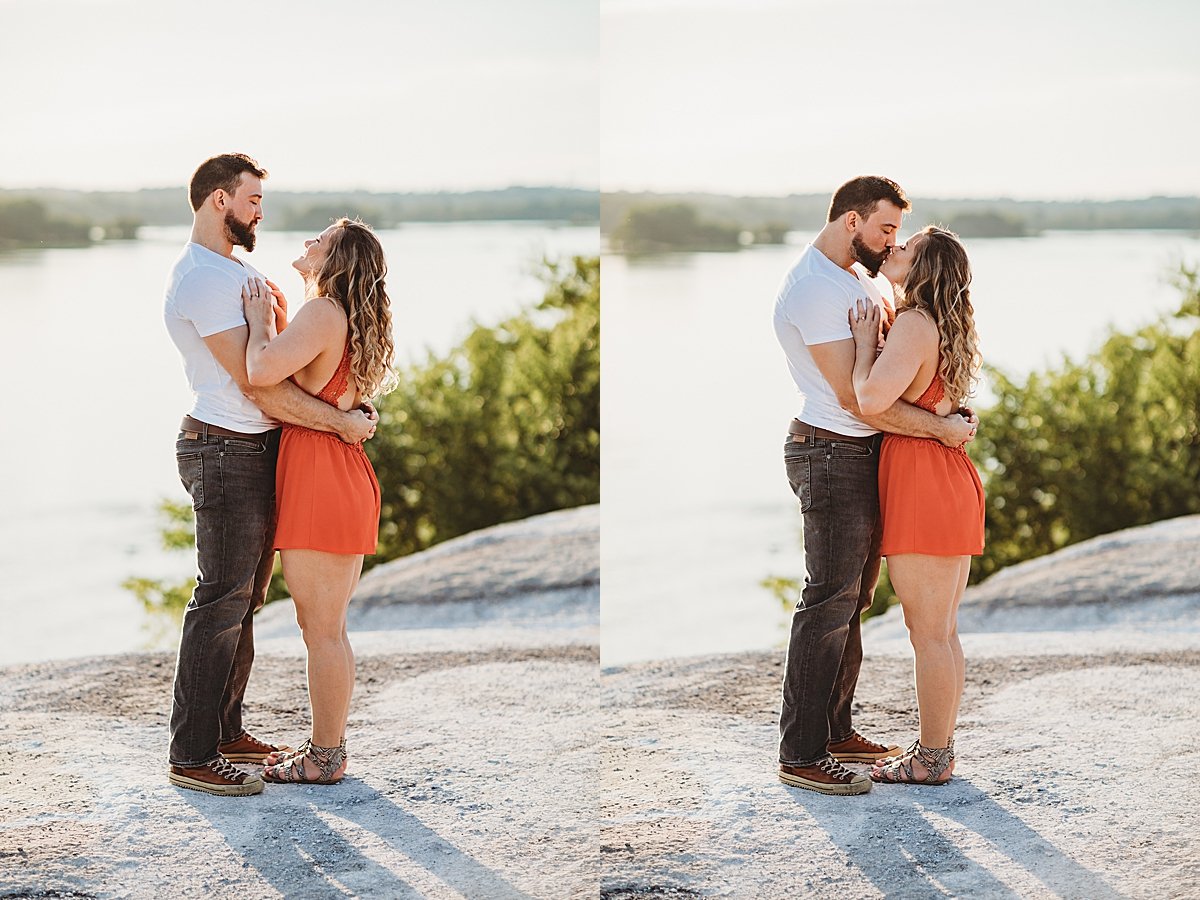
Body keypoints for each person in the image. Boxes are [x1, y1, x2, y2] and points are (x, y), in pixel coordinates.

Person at [164, 154, 378, 797]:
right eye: (252, 199)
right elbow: (259, 386)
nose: (262, 211)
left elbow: (301, 368)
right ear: (216, 200)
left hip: (261, 453)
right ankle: (194, 751)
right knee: (221, 600)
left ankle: (227, 731)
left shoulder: (240, 271)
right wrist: (341, 423)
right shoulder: (202, 279)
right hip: (225, 447)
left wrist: (345, 402)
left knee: (245, 603)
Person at [772, 176, 978, 796]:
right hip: (832, 452)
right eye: (887, 230)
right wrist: (943, 429)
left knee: (852, 603)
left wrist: (943, 424)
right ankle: (804, 751)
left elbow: (893, 386)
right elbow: (858, 400)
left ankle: (837, 733)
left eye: (901, 239)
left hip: (875, 460)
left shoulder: (860, 282)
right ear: (851, 221)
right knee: (830, 601)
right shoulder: (816, 290)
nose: (891, 244)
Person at [242, 217, 397, 785]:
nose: (308, 242)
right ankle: (326, 751)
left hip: (321, 477)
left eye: (321, 240)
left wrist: (260, 322)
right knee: (326, 626)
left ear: (336, 262)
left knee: (322, 630)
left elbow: (260, 372)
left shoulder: (324, 311)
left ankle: (326, 757)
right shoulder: (341, 317)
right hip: (336, 471)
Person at [849, 226, 984, 786]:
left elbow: (871, 400)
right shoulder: (947, 325)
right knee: (943, 631)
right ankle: (939, 749)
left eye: (908, 247)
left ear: (925, 268)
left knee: (927, 633)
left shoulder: (913, 323)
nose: (895, 248)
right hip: (950, 481)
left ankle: (932, 758)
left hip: (922, 483)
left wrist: (862, 347)